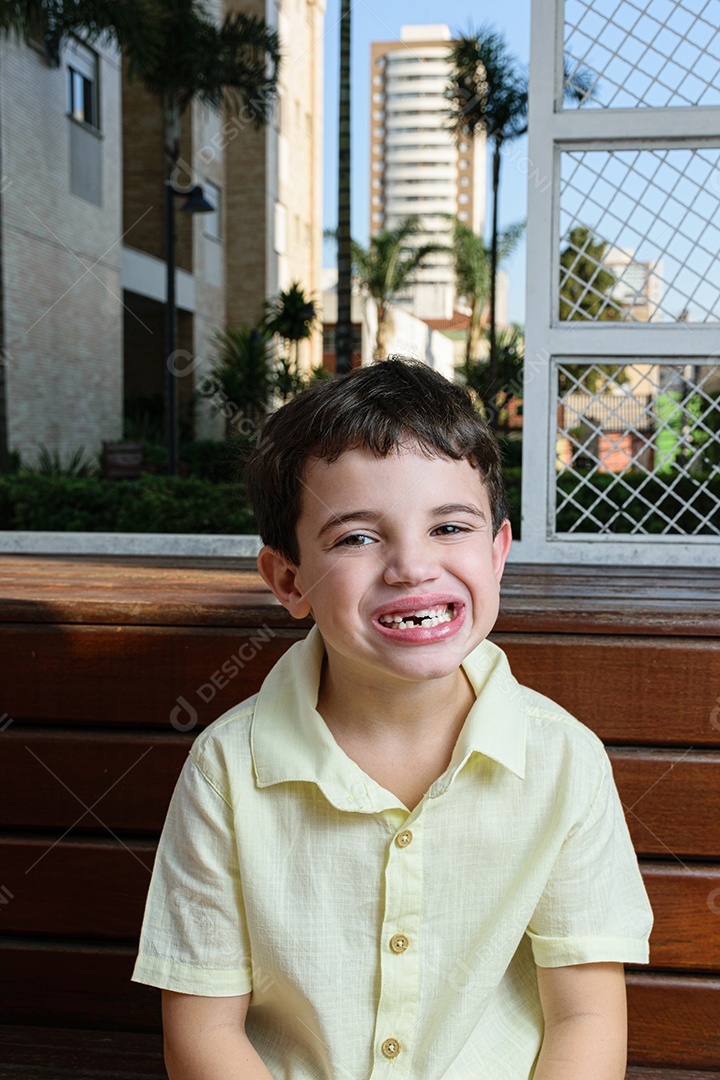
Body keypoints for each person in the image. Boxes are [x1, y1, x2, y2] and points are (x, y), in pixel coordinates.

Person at [133, 358, 652, 1080]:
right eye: (356, 538)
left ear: (497, 555)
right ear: (289, 581)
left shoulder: (565, 760)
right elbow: (202, 1032)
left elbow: (586, 1016)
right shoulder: (227, 768)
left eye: (449, 526)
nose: (412, 566)